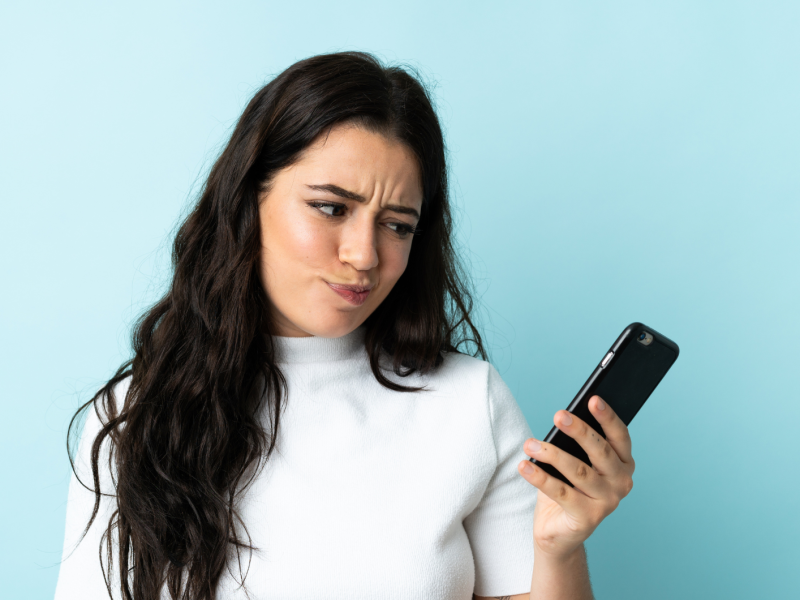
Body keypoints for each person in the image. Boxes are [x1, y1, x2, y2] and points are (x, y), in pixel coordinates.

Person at [55, 52, 635, 600]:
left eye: (398, 225)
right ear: (246, 199)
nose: (364, 255)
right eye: (331, 208)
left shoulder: (468, 403)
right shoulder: (137, 412)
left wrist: (558, 549)